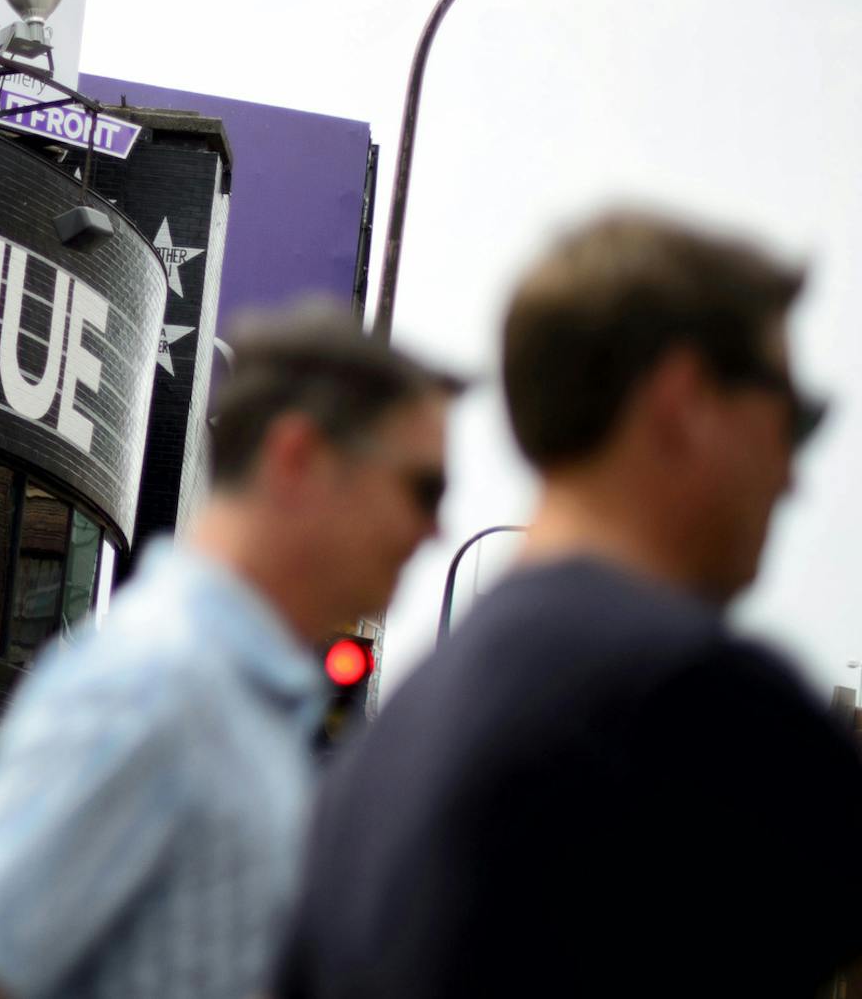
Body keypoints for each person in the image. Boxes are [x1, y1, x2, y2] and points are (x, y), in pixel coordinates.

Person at [277, 211, 862, 999]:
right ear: (683, 398)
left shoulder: (378, 753)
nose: (793, 476)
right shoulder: (700, 698)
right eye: (795, 418)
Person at [0, 306, 459, 999]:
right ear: (298, 456)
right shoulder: (149, 681)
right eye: (423, 489)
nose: (434, 529)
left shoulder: (243, 706)